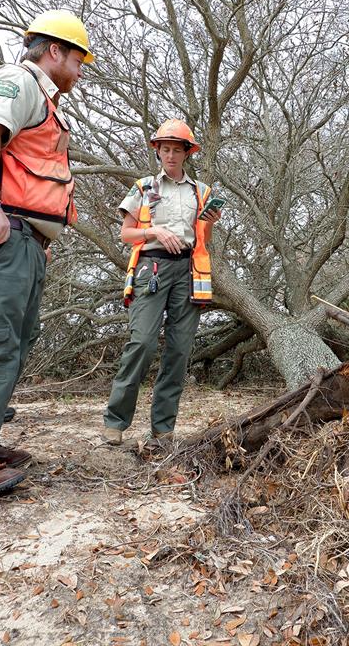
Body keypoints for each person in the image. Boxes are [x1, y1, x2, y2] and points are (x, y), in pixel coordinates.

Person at [0, 10, 93, 497]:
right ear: (54, 50)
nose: (81, 71)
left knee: (15, 344)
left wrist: (40, 241)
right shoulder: (17, 81)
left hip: (24, 244)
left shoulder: (46, 100)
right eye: (79, 60)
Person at [103, 119, 221, 448]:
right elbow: (126, 234)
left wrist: (209, 223)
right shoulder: (143, 188)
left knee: (180, 351)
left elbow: (202, 240)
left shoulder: (201, 192)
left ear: (187, 153)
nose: (170, 155)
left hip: (188, 271)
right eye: (165, 149)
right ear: (157, 151)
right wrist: (154, 231)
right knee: (142, 342)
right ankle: (115, 421)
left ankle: (163, 429)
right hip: (150, 267)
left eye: (176, 150)